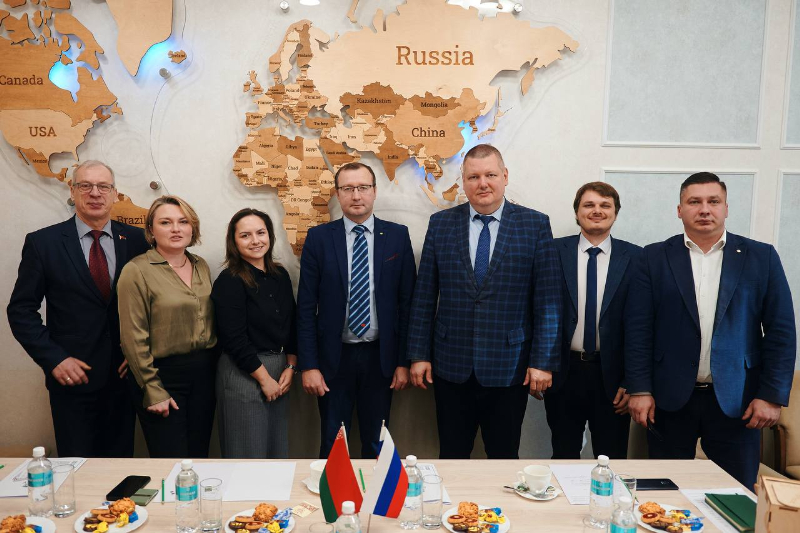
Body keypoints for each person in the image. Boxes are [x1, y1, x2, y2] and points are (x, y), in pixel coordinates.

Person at [626, 172, 796, 489]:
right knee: (664, 493)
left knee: (734, 495)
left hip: (738, 401)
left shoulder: (761, 257)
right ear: (680, 210)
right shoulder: (653, 257)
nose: (704, 209)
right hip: (668, 399)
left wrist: (771, 396)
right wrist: (639, 389)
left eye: (713, 201)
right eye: (694, 202)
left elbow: (781, 332)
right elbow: (638, 330)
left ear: (726, 208)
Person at [407, 143, 562, 459]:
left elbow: (548, 300)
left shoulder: (535, 225)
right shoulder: (441, 224)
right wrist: (418, 355)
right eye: (473, 177)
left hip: (510, 366)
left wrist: (542, 361)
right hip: (450, 364)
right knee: (452, 455)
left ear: (505, 176)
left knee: (504, 456)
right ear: (463, 182)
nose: (483, 184)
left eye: (490, 175)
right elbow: (424, 296)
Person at [7, 160, 149, 457]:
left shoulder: (137, 240)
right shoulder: (43, 243)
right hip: (72, 378)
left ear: (115, 194)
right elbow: (21, 310)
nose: (95, 193)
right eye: (85, 185)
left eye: (103, 186)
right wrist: (54, 359)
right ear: (72, 191)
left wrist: (140, 352)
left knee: (119, 468)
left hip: (124, 378)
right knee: (74, 468)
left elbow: (153, 303)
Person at [297, 162, 417, 459]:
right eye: (348, 188)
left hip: (381, 358)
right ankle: (334, 492)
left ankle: (373, 492)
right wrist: (309, 365)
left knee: (376, 444)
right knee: (333, 444)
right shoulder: (319, 238)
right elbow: (306, 307)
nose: (356, 195)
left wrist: (403, 361)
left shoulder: (397, 236)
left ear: (374, 191)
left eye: (363, 187)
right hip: (333, 359)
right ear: (338, 194)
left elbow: (407, 305)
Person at [545, 182, 641, 459]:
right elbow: (536, 311)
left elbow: (642, 326)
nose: (597, 210)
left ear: (615, 213)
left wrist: (632, 381)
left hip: (614, 378)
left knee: (611, 457)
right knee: (563, 454)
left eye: (604, 205)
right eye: (589, 205)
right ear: (577, 212)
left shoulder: (637, 258)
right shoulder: (552, 251)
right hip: (563, 373)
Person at [117, 195, 218, 458]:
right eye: (165, 222)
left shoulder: (200, 265)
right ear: (151, 230)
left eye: (183, 222)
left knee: (199, 456)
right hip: (162, 376)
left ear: (192, 228)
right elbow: (133, 336)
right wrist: (152, 387)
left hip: (203, 374)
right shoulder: (136, 271)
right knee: (171, 461)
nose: (176, 229)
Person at [212, 208, 298, 458]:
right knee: (247, 454)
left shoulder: (280, 275)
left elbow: (292, 323)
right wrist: (264, 379)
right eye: (245, 235)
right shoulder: (229, 280)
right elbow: (234, 339)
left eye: (260, 233)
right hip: (245, 372)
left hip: (279, 369)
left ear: (269, 235)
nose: (255, 241)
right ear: (234, 241)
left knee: (275, 450)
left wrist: (291, 366)